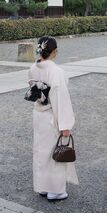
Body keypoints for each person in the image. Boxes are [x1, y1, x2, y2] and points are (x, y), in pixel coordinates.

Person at [28, 36, 78, 201]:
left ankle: (42, 186)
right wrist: (65, 124)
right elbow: (60, 99)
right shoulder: (56, 72)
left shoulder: (33, 68)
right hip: (52, 115)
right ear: (54, 52)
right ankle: (55, 190)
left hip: (38, 112)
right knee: (54, 153)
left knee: (41, 152)